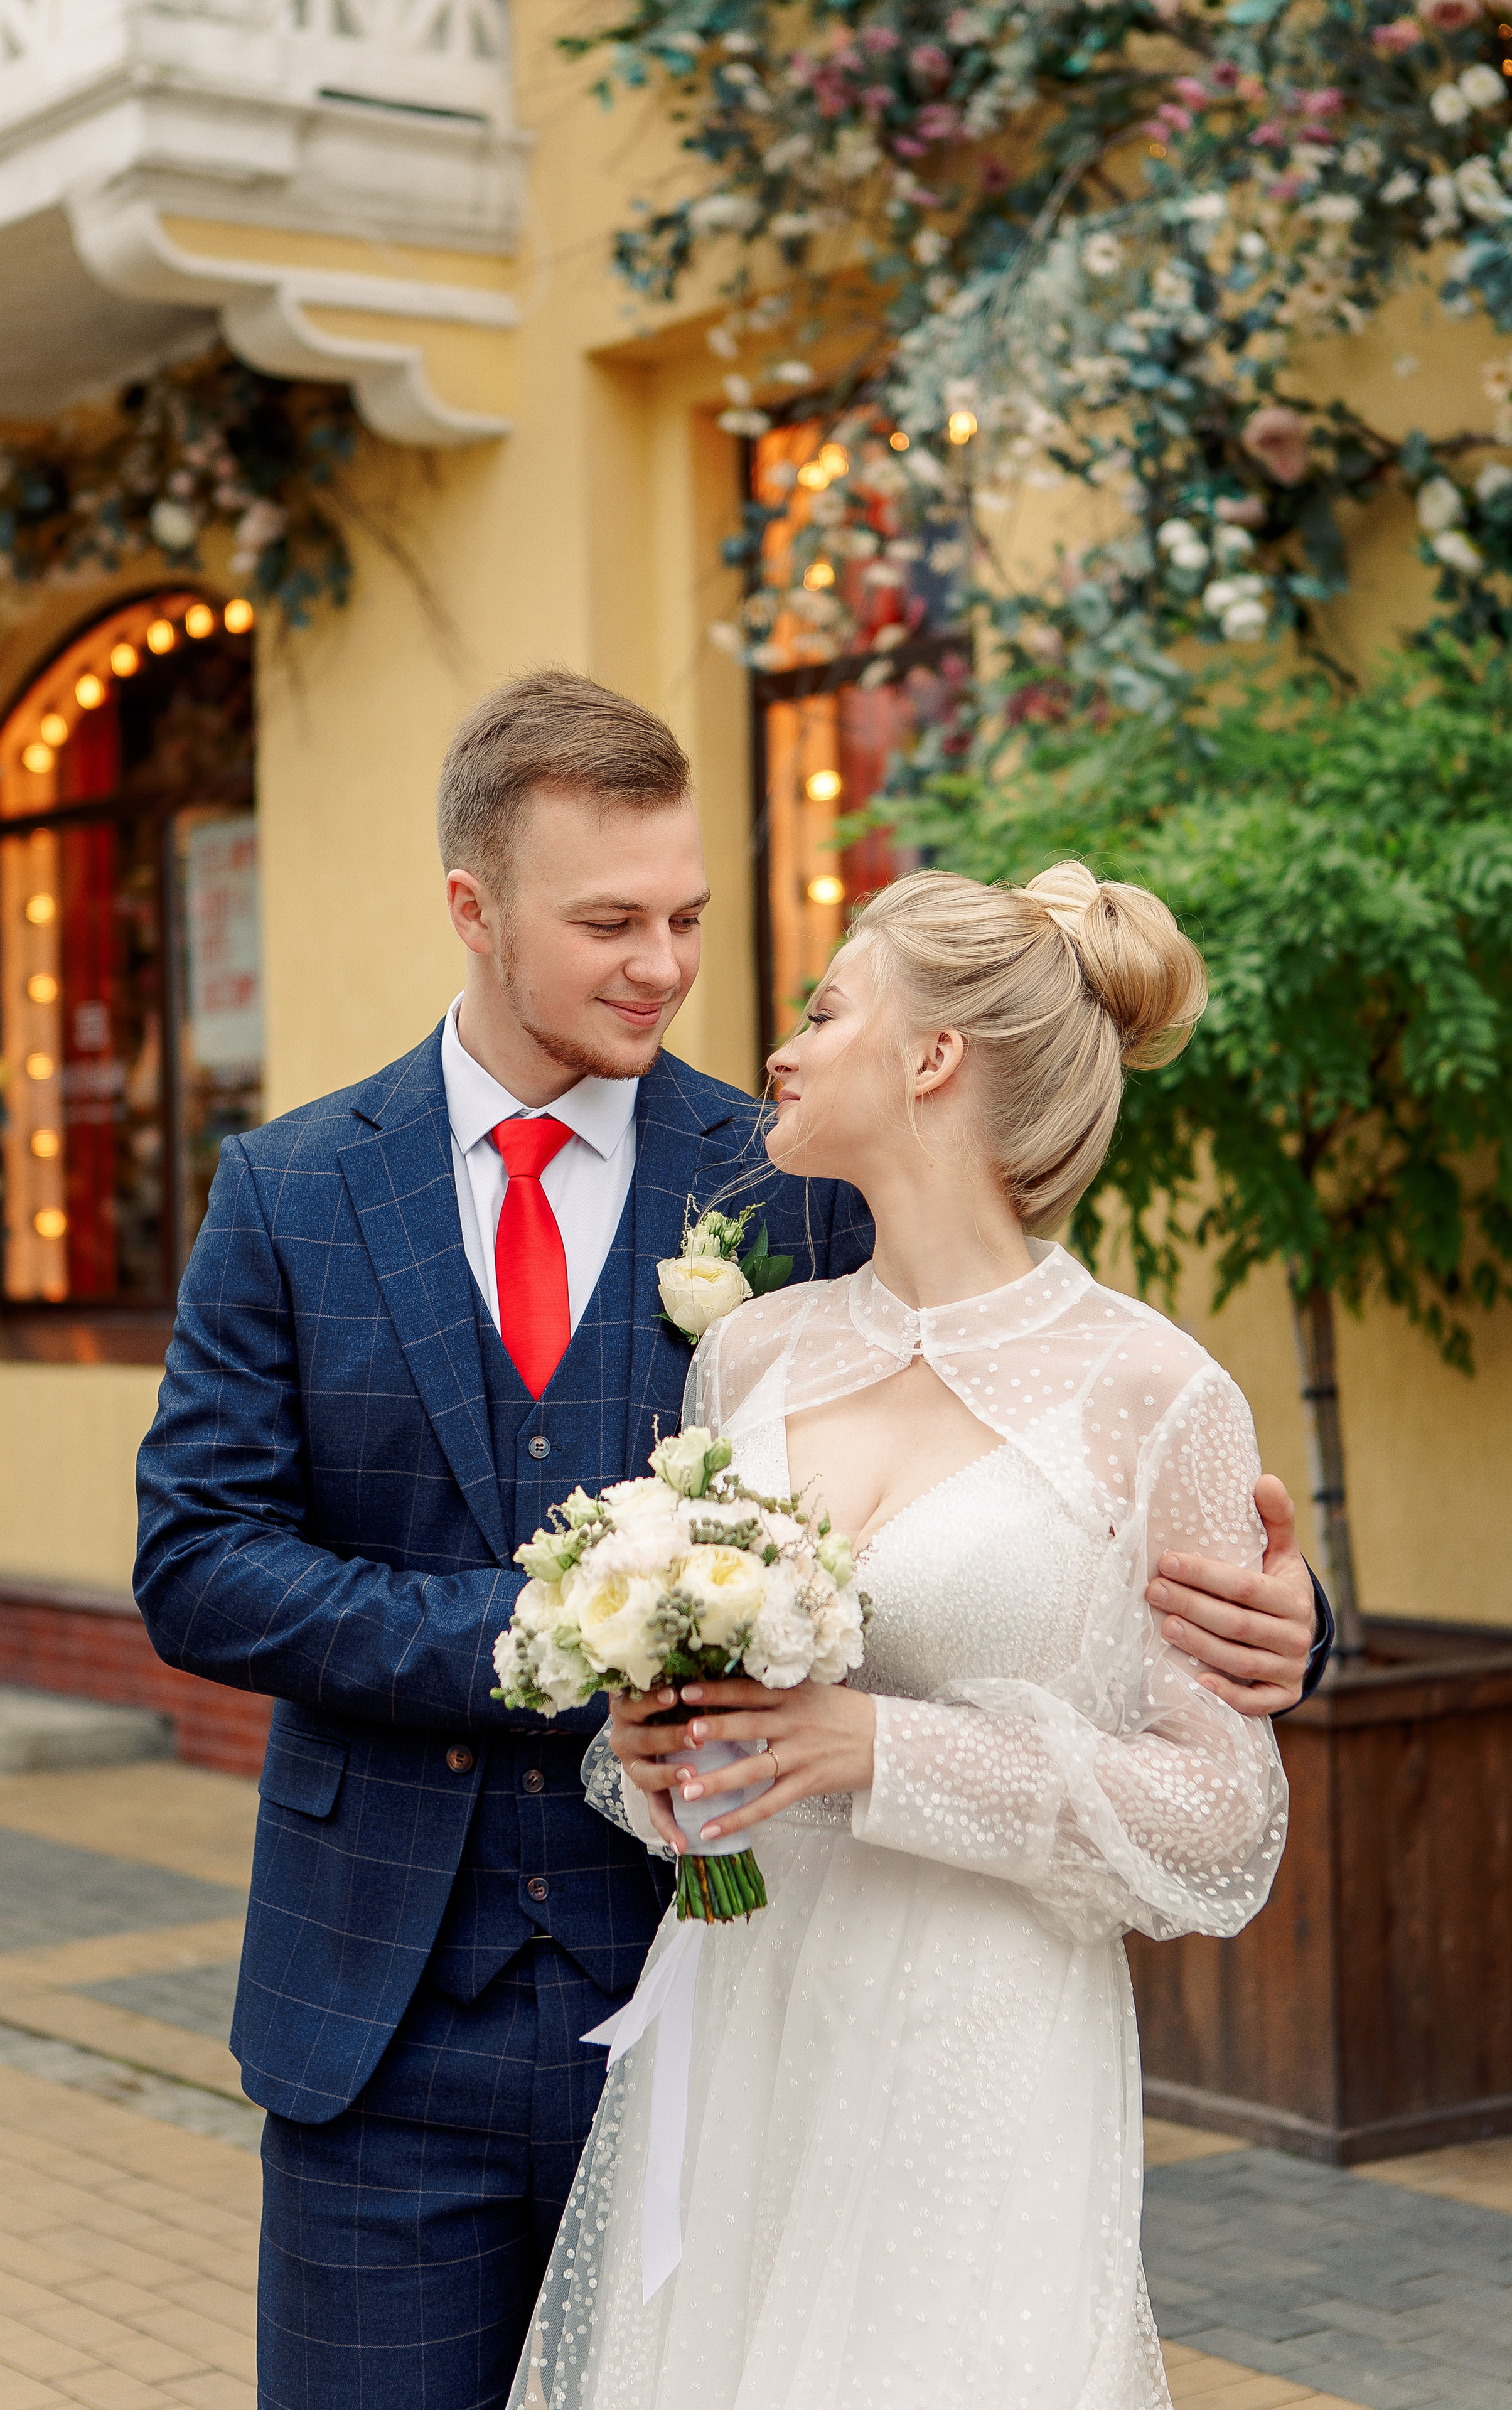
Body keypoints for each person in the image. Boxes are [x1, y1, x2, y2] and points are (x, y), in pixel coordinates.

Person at [134, 675, 1328, 2410]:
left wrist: (1293, 1616)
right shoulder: (295, 1189)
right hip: (381, 2024)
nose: (667, 965)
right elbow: (199, 1559)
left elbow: (1051, 1424)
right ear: (473, 906)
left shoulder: (798, 1183)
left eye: (687, 916)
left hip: (720, 2007)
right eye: (609, 921)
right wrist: (568, 1636)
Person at [515, 863, 1292, 2410]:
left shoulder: (1157, 1396)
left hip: (974, 2039)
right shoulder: (747, 1356)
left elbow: (1222, 1824)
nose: (781, 1051)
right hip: (741, 2008)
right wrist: (653, 1756)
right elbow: (695, 1724)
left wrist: (881, 1750)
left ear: (932, 1058)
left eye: (824, 1009)